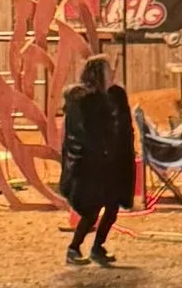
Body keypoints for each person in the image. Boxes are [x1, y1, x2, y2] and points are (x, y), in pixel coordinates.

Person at [58, 55, 136, 265]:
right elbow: (83, 136)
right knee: (91, 210)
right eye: (107, 70)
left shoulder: (115, 96)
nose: (111, 73)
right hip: (90, 166)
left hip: (112, 164)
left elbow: (122, 128)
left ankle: (97, 247)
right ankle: (73, 248)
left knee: (112, 207)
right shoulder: (84, 100)